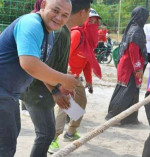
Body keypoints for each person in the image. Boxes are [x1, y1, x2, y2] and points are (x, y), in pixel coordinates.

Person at [0, 0, 79, 156]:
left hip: (10, 95)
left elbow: (40, 67)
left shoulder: (48, 32)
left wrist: (57, 89)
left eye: (65, 15)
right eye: (55, 11)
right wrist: (64, 79)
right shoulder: (32, 24)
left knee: (12, 136)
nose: (59, 17)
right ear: (43, 5)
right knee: (7, 146)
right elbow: (30, 64)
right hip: (8, 93)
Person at [19, 0, 92, 157]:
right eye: (89, 12)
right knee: (45, 134)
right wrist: (56, 91)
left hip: (45, 90)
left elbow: (53, 66)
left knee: (48, 132)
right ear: (82, 12)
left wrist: (63, 87)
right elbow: (40, 67)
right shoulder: (60, 33)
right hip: (37, 92)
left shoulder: (64, 32)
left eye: (64, 14)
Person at [48, 8, 102, 153]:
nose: (93, 23)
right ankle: (52, 139)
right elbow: (65, 53)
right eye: (90, 20)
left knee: (81, 101)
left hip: (76, 78)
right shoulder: (77, 34)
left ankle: (71, 132)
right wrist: (65, 73)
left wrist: (89, 81)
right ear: (84, 20)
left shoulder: (90, 40)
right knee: (64, 104)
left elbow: (88, 62)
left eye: (96, 21)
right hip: (65, 74)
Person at [105, 6, 149, 125]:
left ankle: (130, 118)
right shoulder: (135, 31)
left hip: (130, 66)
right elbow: (133, 51)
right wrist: (138, 68)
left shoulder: (135, 29)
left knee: (133, 91)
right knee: (126, 91)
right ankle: (113, 116)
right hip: (129, 68)